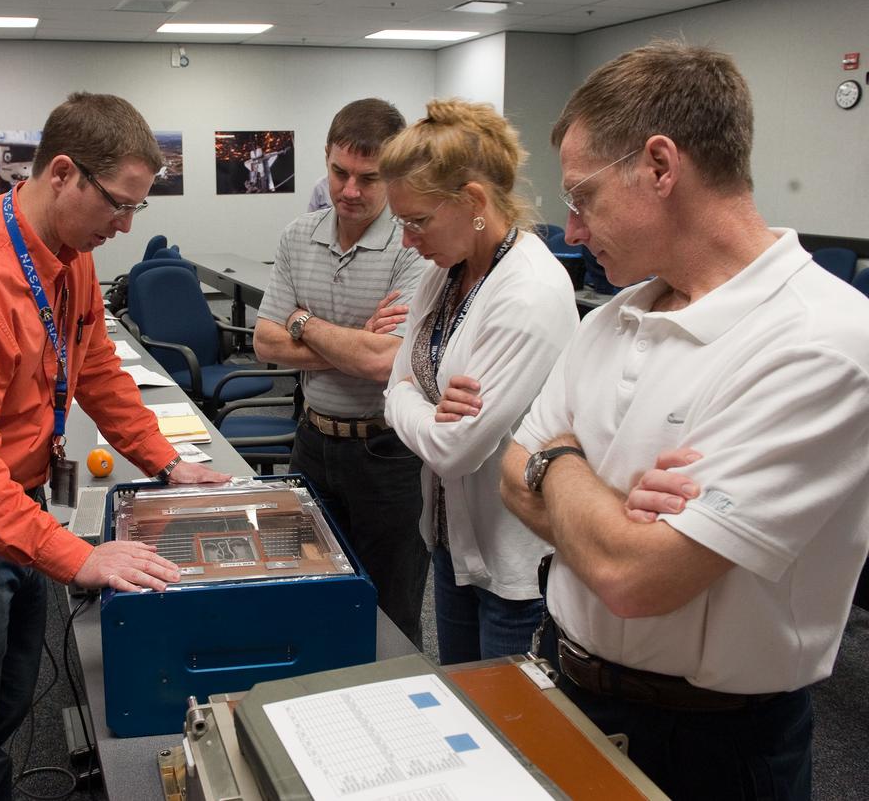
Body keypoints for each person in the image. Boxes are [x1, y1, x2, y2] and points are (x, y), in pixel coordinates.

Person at [500, 41, 869, 799]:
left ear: (661, 167)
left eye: (584, 198)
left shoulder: (825, 341)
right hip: (569, 680)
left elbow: (634, 577)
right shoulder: (613, 319)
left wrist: (560, 461)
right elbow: (511, 473)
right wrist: (604, 501)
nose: (572, 231)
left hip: (713, 745)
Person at [0, 91, 229, 800]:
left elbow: (94, 366)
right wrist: (80, 555)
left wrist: (165, 460)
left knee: (8, 690)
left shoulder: (69, 252)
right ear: (62, 172)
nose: (125, 227)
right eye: (118, 205)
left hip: (20, 501)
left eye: (138, 209)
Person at [378, 100, 578, 665]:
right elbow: (395, 382)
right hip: (451, 541)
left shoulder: (529, 291)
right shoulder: (446, 272)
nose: (406, 240)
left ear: (473, 202)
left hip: (512, 562)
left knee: (510, 733)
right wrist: (415, 399)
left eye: (417, 220)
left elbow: (454, 450)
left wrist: (407, 398)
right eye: (401, 222)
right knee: (463, 699)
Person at [254, 98, 430, 645]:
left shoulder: (413, 244)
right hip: (311, 441)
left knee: (390, 612)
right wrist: (354, 339)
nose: (349, 190)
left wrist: (303, 321)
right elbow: (264, 343)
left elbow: (385, 361)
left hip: (388, 455)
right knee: (308, 593)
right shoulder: (296, 235)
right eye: (339, 172)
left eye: (368, 178)